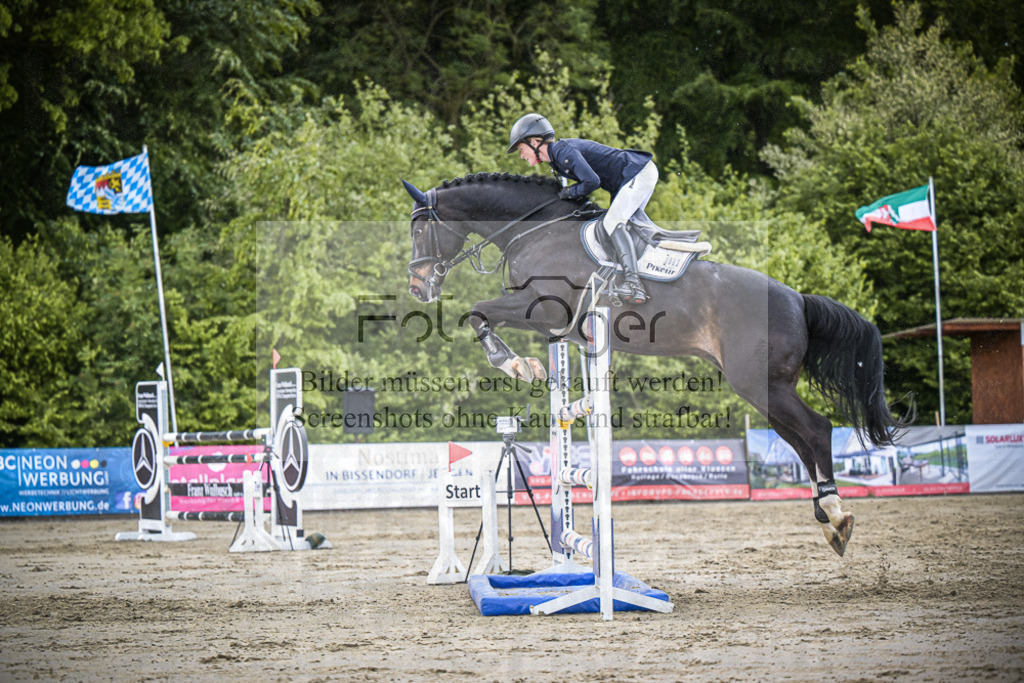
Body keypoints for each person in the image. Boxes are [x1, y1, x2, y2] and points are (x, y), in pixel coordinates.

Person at [506, 113, 656, 304]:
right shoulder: (556, 160)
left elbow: (592, 182)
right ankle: (643, 274)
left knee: (613, 222)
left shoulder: (563, 151)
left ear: (535, 142)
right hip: (631, 177)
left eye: (521, 149)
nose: (521, 155)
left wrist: (569, 192)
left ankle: (634, 284)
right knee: (623, 226)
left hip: (638, 171)